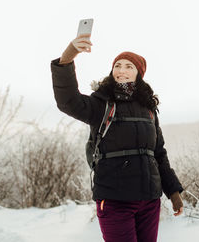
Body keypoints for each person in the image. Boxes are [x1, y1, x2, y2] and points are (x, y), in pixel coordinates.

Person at [50, 33, 184, 242]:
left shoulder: (149, 110)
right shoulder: (101, 103)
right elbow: (67, 101)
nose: (121, 70)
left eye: (129, 66)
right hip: (114, 199)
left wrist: (173, 191)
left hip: (149, 200)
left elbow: (158, 153)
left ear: (139, 74)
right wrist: (68, 57)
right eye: (117, 66)